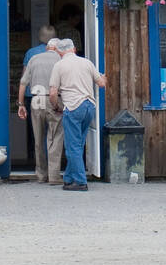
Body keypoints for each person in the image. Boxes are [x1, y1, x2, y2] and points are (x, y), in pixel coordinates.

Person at [49, 38, 106, 191]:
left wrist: (56, 106)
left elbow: (53, 92)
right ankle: (68, 179)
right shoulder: (87, 62)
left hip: (73, 106)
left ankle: (80, 182)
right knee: (78, 144)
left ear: (59, 52)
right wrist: (104, 77)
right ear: (74, 49)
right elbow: (101, 83)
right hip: (89, 106)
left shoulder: (59, 65)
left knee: (72, 146)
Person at [17, 37, 65, 184]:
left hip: (36, 99)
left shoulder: (34, 58)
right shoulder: (61, 60)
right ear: (57, 49)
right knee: (55, 137)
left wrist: (21, 104)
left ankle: (41, 175)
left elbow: (23, 83)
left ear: (47, 48)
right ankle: (54, 176)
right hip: (53, 99)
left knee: (38, 140)